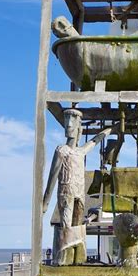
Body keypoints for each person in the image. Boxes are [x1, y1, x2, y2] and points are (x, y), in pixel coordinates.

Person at [42, 108, 114, 265]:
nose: (73, 130)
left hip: (79, 194)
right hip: (66, 192)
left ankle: (78, 255)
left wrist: (109, 130)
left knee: (78, 222)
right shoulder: (62, 151)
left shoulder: (80, 152)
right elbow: (53, 176)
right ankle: (64, 256)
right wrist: (46, 200)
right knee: (66, 223)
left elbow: (94, 142)